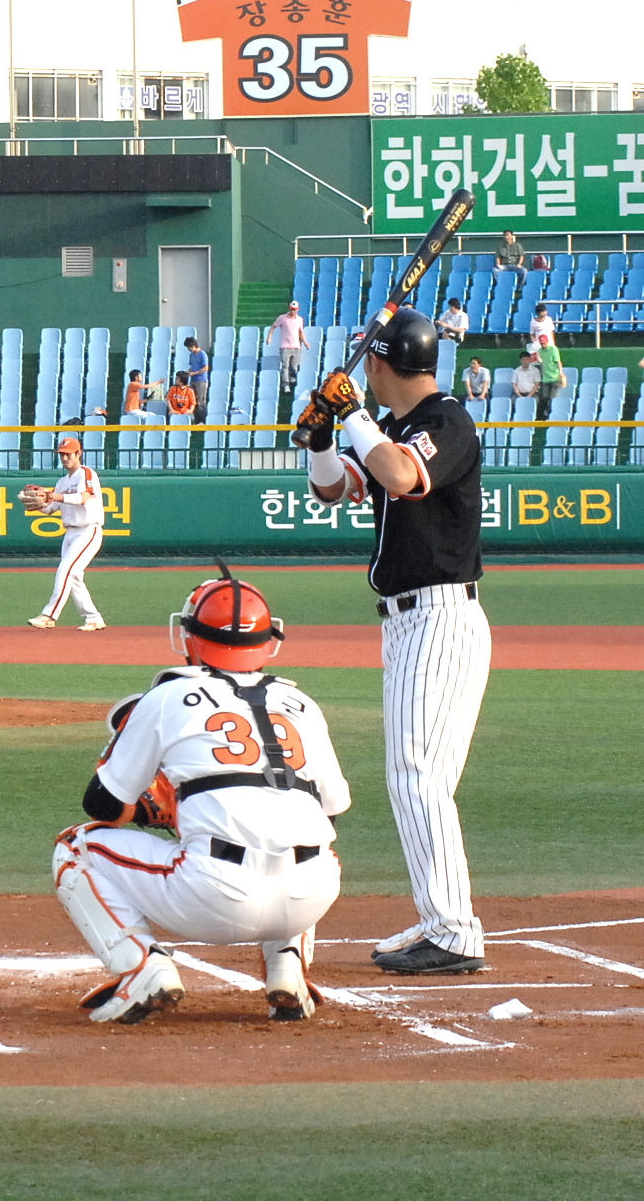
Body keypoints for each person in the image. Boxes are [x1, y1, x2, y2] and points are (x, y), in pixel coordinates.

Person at [52, 566, 350, 1023]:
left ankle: (141, 969)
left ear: (189, 635)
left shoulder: (169, 697)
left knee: (75, 848)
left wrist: (164, 811)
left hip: (212, 896)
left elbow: (103, 806)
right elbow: (331, 816)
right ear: (270, 640)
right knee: (306, 838)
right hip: (310, 896)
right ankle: (288, 965)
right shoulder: (302, 704)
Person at [304, 307, 491, 973]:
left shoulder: (446, 422)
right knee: (422, 779)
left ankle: (451, 929)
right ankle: (446, 922)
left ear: (381, 365)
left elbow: (403, 476)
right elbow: (337, 487)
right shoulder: (391, 428)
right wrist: (322, 438)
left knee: (415, 774)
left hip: (440, 617)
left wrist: (350, 414)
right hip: (413, 622)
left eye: (369, 365)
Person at [24, 437, 106, 631]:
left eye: (68, 454)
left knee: (65, 570)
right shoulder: (62, 481)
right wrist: (37, 504)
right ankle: (93, 618)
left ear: (79, 454)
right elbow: (51, 509)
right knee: (74, 575)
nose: (64, 458)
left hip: (88, 530)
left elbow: (83, 498)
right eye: (61, 455)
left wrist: (52, 495)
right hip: (70, 533)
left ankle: (50, 615)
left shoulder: (86, 473)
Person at [267, 300, 306, 390]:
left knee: (294, 366)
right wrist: (269, 337)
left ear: (297, 309)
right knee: (285, 366)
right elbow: (273, 326)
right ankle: (286, 385)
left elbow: (301, 332)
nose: (293, 311)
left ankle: (292, 379)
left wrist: (305, 342)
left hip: (296, 346)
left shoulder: (300, 320)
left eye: (295, 309)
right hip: (285, 346)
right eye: (292, 309)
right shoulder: (282, 318)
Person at [534, 334, 565, 418]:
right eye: (541, 343)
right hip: (545, 378)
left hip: (555, 377)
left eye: (544, 343)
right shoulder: (539, 351)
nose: (543, 345)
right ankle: (544, 414)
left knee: (553, 398)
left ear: (547, 341)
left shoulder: (553, 349)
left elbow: (558, 362)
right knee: (545, 397)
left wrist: (561, 373)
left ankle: (552, 414)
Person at [182, 337, 210, 421]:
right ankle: (195, 419)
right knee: (191, 399)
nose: (189, 349)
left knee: (200, 401)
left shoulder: (202, 354)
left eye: (189, 347)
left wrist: (195, 373)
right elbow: (192, 367)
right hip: (193, 380)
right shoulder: (192, 355)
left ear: (194, 346)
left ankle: (202, 420)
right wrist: (187, 372)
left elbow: (205, 368)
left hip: (201, 380)